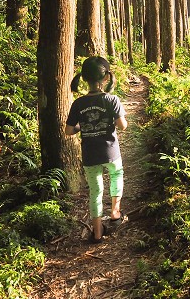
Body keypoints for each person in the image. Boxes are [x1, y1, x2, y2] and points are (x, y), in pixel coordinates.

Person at [65, 56, 128, 243]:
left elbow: (69, 130)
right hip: (111, 152)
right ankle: (115, 213)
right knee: (116, 176)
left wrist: (82, 128)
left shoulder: (78, 104)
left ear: (83, 78)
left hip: (90, 154)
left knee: (96, 191)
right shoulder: (112, 99)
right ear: (106, 77)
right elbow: (122, 125)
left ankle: (98, 232)